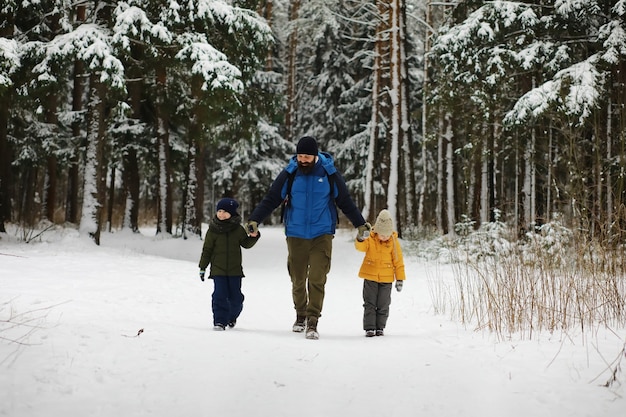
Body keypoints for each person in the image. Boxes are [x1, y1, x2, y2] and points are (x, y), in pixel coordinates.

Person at [246, 136, 370, 340]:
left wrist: (360, 223)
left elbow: (345, 200)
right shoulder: (291, 172)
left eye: (307, 157)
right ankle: (300, 315)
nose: (303, 160)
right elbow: (272, 198)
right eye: (300, 156)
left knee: (317, 277)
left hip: (322, 233)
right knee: (297, 278)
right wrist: (254, 220)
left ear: (315, 156)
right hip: (295, 233)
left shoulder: (329, 173)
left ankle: (313, 320)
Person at [198, 198, 260, 331]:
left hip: (235, 271)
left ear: (232, 213)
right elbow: (207, 250)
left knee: (236, 298)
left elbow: (246, 244)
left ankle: (231, 317)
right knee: (219, 295)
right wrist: (202, 267)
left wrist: (254, 236)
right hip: (218, 270)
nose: (221, 214)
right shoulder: (213, 230)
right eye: (219, 211)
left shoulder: (237, 229)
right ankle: (219, 321)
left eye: (225, 212)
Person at [355, 209, 405, 337]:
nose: (384, 237)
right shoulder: (370, 239)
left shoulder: (393, 241)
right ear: (376, 231)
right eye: (382, 234)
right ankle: (370, 328)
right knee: (369, 303)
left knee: (383, 304)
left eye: (387, 235)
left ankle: (380, 327)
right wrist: (361, 238)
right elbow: (360, 248)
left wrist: (400, 279)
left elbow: (398, 261)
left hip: (386, 280)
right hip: (370, 277)